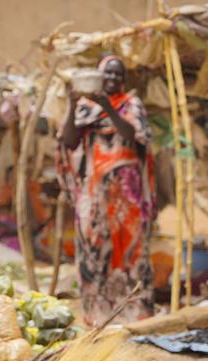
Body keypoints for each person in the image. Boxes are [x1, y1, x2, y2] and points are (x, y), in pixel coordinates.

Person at [58, 55, 156, 326]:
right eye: (107, 74)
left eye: (117, 74)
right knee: (93, 252)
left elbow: (131, 134)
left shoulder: (132, 105)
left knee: (130, 254)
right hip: (94, 194)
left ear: (123, 79)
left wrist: (109, 109)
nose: (112, 78)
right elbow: (69, 140)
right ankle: (98, 318)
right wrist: (71, 104)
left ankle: (136, 316)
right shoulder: (85, 108)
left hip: (128, 196)